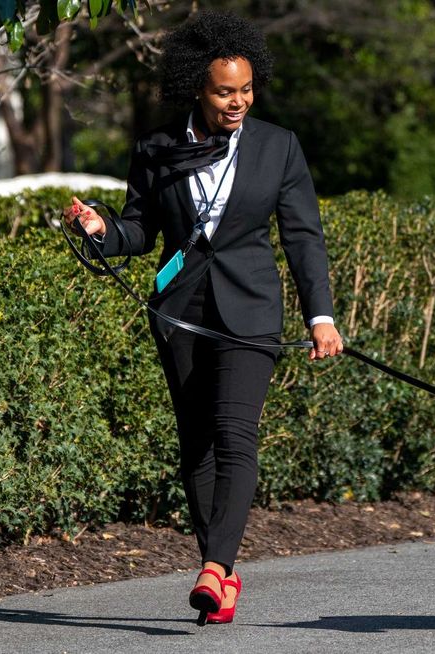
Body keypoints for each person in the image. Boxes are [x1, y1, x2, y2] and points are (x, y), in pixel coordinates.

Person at [62, 10, 343, 625]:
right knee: (197, 444)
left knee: (235, 434)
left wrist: (320, 316)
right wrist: (101, 229)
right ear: (197, 87)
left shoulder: (278, 146)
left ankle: (214, 567)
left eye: (246, 89)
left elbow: (303, 237)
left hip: (251, 311)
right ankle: (225, 575)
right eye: (223, 92)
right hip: (181, 312)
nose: (237, 101)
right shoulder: (156, 149)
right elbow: (141, 230)